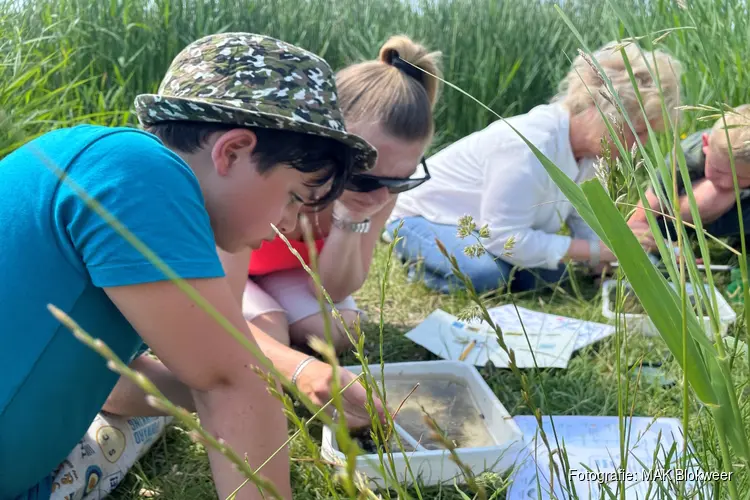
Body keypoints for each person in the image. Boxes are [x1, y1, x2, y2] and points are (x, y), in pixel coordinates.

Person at [0, 33, 383, 500]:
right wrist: (243, 383)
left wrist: (274, 388)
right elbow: (231, 384)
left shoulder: (111, 174)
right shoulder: (138, 171)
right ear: (233, 151)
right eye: (294, 196)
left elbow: (106, 377)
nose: (287, 223)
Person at [384, 41, 683, 294]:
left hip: (482, 230)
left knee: (555, 274)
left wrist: (613, 255)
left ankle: (468, 268)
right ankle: (416, 263)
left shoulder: (592, 155)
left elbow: (584, 220)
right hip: (422, 216)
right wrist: (594, 252)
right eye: (638, 131)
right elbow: (504, 237)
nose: (640, 145)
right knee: (487, 274)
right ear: (601, 111)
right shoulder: (530, 146)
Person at [217, 35, 441, 356]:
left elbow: (330, 292)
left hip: (279, 271)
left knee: (339, 332)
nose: (379, 192)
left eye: (398, 182)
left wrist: (352, 218)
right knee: (269, 334)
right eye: (361, 175)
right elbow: (223, 291)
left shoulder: (379, 190)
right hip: (224, 265)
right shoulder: (274, 169)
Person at [628, 104, 750, 249]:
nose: (727, 183)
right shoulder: (684, 157)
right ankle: (675, 238)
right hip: (681, 218)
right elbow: (640, 218)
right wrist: (671, 250)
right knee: (714, 195)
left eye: (740, 178)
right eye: (719, 171)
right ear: (706, 144)